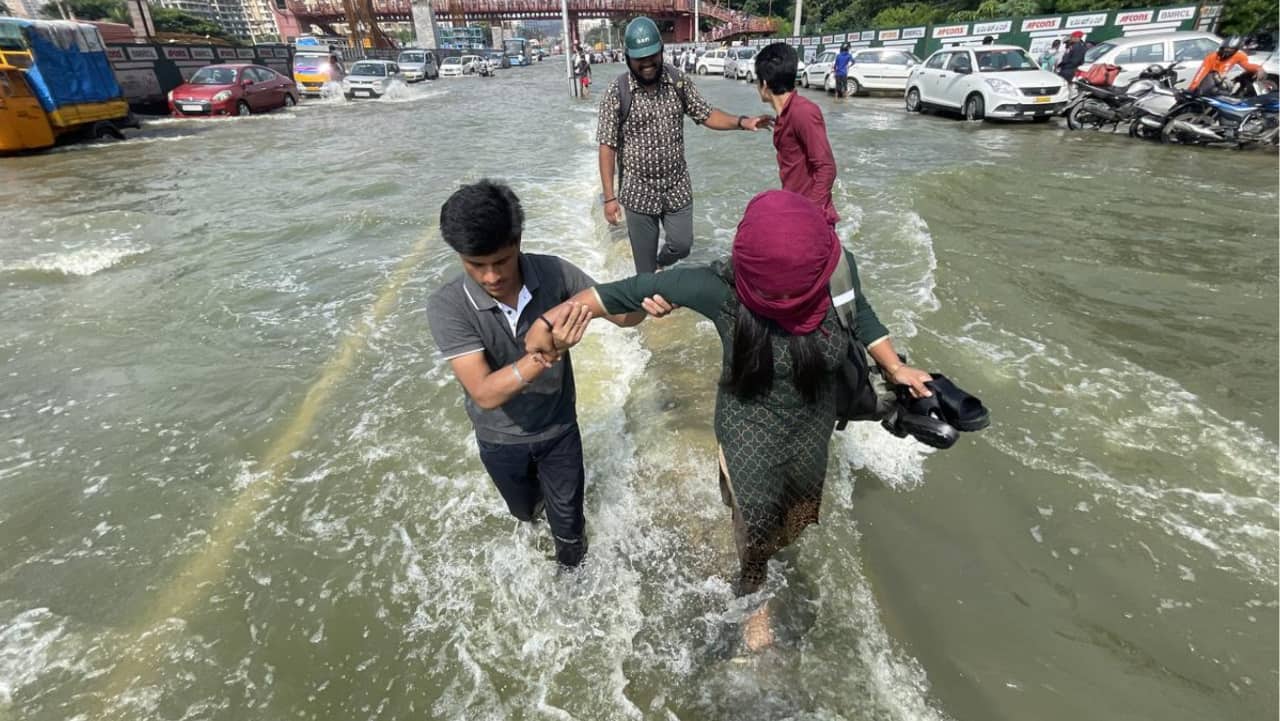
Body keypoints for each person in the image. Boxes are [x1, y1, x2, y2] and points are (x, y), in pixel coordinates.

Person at [526, 190, 932, 649]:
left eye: (796, 287)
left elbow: (863, 317)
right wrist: (549, 324)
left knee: (793, 517)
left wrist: (895, 367)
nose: (786, 296)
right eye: (775, 289)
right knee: (755, 524)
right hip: (747, 434)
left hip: (810, 430)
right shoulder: (719, 287)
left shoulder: (835, 265)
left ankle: (762, 562)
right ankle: (754, 606)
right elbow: (612, 296)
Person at [426, 180, 646, 569]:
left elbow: (626, 317)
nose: (491, 277)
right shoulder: (448, 306)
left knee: (570, 530)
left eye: (501, 261)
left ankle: (572, 588)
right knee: (526, 512)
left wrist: (647, 295)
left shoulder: (555, 274)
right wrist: (545, 352)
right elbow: (485, 393)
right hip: (499, 439)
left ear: (519, 241)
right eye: (476, 265)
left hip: (559, 431)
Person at [597, 16, 774, 273]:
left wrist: (742, 122)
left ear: (661, 51)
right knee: (644, 276)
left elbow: (705, 114)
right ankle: (650, 293)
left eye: (652, 57)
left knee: (682, 245)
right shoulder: (617, 92)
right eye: (640, 60)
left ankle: (660, 263)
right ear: (627, 57)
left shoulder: (677, 81)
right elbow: (607, 146)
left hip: (676, 186)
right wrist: (609, 198)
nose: (647, 64)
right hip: (637, 191)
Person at [754, 42, 838, 227]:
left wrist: (810, 215)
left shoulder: (803, 112)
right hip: (795, 206)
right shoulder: (788, 113)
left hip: (810, 215)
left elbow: (826, 168)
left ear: (764, 85)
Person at [1189, 35, 1264, 94]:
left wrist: (1258, 68)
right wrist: (1192, 88)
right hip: (1209, 82)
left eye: (1230, 51)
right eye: (1225, 49)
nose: (1226, 53)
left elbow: (1247, 65)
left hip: (1221, 83)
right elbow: (1201, 73)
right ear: (1221, 48)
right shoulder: (1211, 57)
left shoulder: (1239, 56)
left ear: (1235, 50)